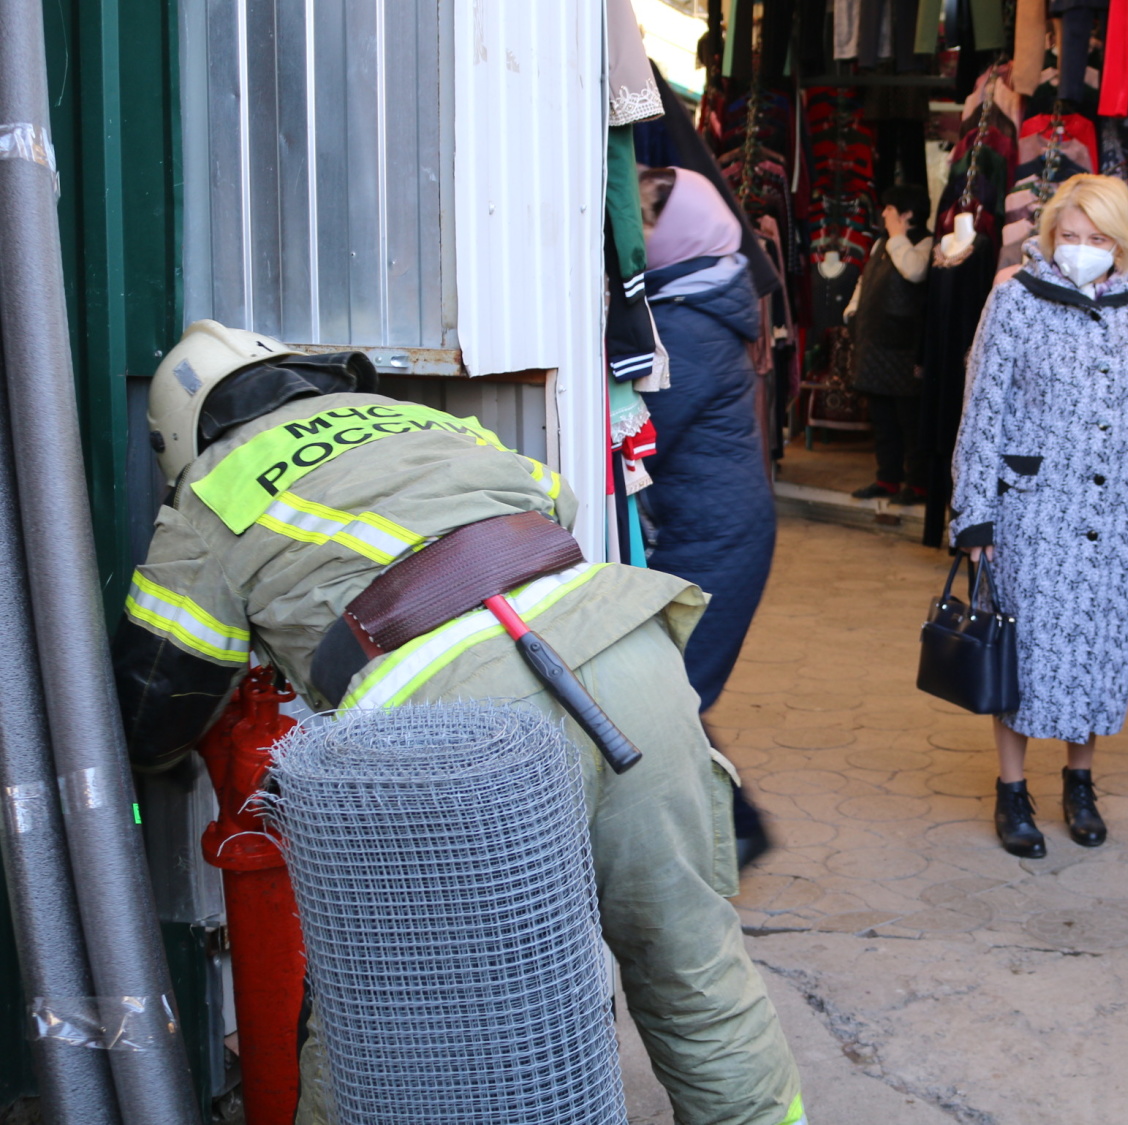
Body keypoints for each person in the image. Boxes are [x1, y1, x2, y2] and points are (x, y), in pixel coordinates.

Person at [113, 322, 805, 1125]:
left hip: (451, 741)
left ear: (182, 435)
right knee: (693, 964)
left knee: (377, 1037)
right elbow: (557, 506)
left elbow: (154, 706)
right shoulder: (418, 419)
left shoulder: (213, 490)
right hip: (623, 650)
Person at [950, 174, 1128, 858]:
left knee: (1098, 649)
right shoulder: (1015, 300)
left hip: (1116, 515)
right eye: (1070, 236)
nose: (1081, 249)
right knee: (1020, 651)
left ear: (1120, 244)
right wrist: (974, 514)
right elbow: (983, 407)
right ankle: (1012, 788)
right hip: (1032, 513)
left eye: (1097, 239)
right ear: (1050, 234)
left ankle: (1080, 782)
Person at [636, 168, 781, 866]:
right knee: (669, 690)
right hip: (712, 530)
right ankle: (729, 827)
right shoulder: (695, 298)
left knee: (670, 693)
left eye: (654, 216)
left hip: (716, 540)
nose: (641, 229)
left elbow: (647, 426)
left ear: (686, 229)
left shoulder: (689, 323)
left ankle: (737, 827)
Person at [845, 185, 934, 504]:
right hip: (874, 342)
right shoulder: (881, 242)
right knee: (882, 418)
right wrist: (853, 309)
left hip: (903, 345)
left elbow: (914, 271)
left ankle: (918, 484)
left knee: (909, 419)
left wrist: (898, 235)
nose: (883, 214)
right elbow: (865, 278)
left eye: (890, 209)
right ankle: (887, 479)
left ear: (907, 213)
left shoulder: (926, 242)